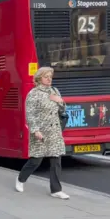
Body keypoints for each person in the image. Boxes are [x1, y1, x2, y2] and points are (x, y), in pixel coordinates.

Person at [15, 67, 69, 200]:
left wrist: (60, 101)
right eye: (46, 76)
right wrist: (35, 130)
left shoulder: (54, 91)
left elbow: (62, 109)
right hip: (41, 132)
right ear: (39, 79)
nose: (49, 79)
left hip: (54, 131)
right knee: (36, 160)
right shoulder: (33, 94)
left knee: (56, 160)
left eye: (50, 76)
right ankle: (21, 179)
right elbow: (30, 114)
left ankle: (56, 190)